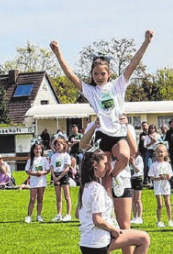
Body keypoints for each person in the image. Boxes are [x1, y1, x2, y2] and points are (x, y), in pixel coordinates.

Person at [50, 30, 154, 195]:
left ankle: (115, 176)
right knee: (103, 177)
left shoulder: (118, 85)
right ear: (92, 74)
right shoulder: (91, 91)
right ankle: (105, 209)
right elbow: (71, 76)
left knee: (125, 157)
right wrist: (58, 53)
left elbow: (133, 64)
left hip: (118, 133)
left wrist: (146, 42)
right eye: (95, 73)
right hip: (101, 135)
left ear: (109, 73)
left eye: (103, 73)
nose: (99, 76)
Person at [39, 151, 157, 254]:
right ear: (95, 165)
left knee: (143, 238)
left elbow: (78, 214)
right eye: (105, 164)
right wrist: (113, 229)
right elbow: (97, 219)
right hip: (97, 243)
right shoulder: (96, 189)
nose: (108, 167)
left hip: (91, 241)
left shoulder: (86, 186)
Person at [149, 144, 173, 228]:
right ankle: (159, 221)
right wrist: (158, 178)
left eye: (161, 152)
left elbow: (170, 175)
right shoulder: (154, 165)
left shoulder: (167, 165)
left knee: (167, 203)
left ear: (165, 153)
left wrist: (167, 177)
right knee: (160, 204)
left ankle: (170, 220)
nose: (160, 154)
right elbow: (152, 177)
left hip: (165, 185)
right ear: (155, 154)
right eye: (158, 152)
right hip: (158, 186)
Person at [50, 137, 75, 222]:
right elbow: (52, 167)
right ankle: (59, 214)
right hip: (56, 175)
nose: (57, 146)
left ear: (63, 145)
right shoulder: (53, 156)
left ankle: (68, 214)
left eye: (59, 145)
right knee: (58, 197)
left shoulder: (66, 156)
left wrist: (59, 176)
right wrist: (54, 176)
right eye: (56, 145)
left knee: (67, 196)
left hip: (63, 175)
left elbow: (67, 168)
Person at [24, 142, 49, 223]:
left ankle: (39, 215)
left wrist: (42, 173)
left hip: (42, 182)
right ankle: (29, 216)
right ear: (33, 150)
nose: (38, 150)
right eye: (36, 149)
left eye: (39, 149)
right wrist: (35, 173)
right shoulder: (30, 160)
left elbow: (48, 170)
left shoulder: (44, 159)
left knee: (40, 199)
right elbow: (27, 170)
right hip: (34, 182)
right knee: (32, 199)